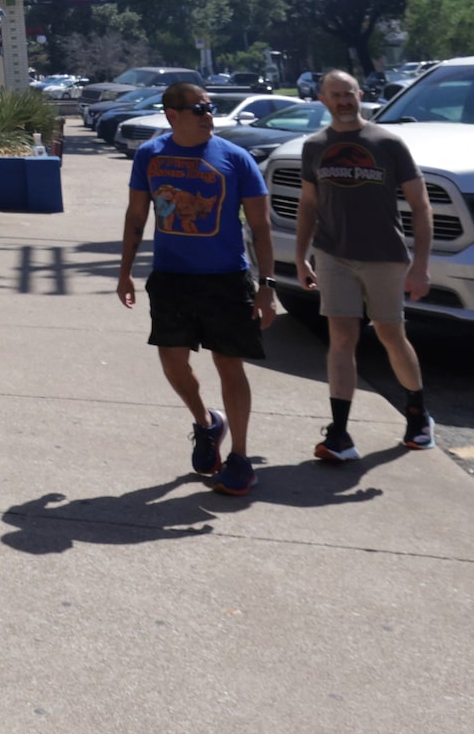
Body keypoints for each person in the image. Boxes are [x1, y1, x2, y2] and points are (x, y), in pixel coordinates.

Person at [115, 81, 279, 497]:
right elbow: (137, 215)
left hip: (226, 279)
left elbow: (261, 226)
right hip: (172, 278)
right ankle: (207, 424)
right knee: (173, 363)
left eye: (211, 107)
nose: (209, 115)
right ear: (172, 115)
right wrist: (124, 271)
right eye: (199, 108)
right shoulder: (150, 156)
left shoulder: (236, 159)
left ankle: (240, 457)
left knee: (230, 364)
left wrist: (267, 286)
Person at [296, 69, 435, 458]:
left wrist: (420, 264)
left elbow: (421, 206)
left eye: (349, 93)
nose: (343, 101)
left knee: (391, 336)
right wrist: (300, 256)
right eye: (335, 95)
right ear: (322, 99)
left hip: (384, 256)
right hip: (332, 254)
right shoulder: (314, 146)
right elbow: (309, 205)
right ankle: (339, 435)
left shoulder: (388, 143)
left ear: (359, 95)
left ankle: (417, 413)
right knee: (341, 338)